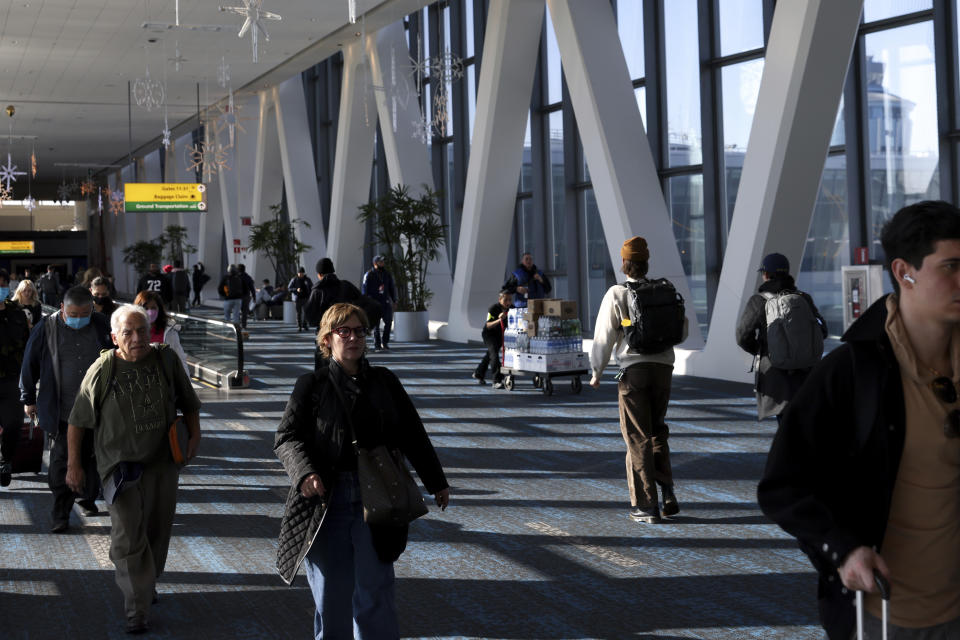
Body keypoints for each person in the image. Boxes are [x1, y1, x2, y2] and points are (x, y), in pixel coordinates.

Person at [758, 200, 960, 640]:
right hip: (886, 615)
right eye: (951, 267)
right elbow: (783, 484)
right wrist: (843, 549)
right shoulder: (853, 373)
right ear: (905, 273)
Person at [274, 302, 450, 638]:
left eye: (359, 331)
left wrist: (436, 481)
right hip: (327, 502)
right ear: (327, 338)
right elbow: (286, 437)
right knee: (331, 597)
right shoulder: (311, 386)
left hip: (378, 498)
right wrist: (304, 473)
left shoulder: (384, 382)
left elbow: (413, 433)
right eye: (344, 331)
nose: (353, 337)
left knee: (375, 592)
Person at [66, 304, 201, 634]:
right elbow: (78, 421)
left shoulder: (165, 359)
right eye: (128, 332)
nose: (137, 337)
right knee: (127, 537)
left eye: (142, 330)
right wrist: (73, 465)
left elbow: (188, 401)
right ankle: (136, 607)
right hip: (120, 468)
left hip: (163, 464)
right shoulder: (102, 369)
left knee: (157, 531)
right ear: (115, 338)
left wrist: (194, 436)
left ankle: (146, 582)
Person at [588, 236, 687, 524]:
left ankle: (646, 506)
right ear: (646, 263)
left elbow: (604, 338)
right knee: (657, 431)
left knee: (637, 436)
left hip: (634, 372)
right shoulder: (664, 290)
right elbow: (681, 330)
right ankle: (667, 491)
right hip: (664, 368)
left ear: (624, 264)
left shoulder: (618, 294)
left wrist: (596, 373)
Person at [20, 285, 112, 532]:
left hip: (98, 409)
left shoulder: (102, 324)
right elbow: (29, 365)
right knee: (62, 463)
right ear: (62, 308)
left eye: (85, 314)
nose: (79, 319)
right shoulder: (46, 328)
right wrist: (28, 398)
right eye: (74, 314)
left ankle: (87, 495)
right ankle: (61, 513)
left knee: (93, 458)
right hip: (62, 410)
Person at [735, 252, 827, 421]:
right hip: (807, 374)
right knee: (805, 426)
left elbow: (742, 336)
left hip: (776, 377)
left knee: (786, 428)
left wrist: (761, 350)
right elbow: (823, 331)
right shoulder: (803, 298)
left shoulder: (758, 301)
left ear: (766, 275)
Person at [0, 269, 31, 487]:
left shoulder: (17, 314)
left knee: (13, 424)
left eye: (2, 285)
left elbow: (29, 348)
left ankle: (5, 460)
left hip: (12, 378)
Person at [134, 291, 189, 377]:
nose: (150, 312)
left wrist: (186, 386)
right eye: (146, 308)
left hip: (165, 383)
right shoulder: (131, 332)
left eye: (153, 308)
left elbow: (180, 359)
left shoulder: (169, 331)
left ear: (159, 309)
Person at [304, 258, 362, 331]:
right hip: (346, 328)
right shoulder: (346, 285)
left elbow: (310, 312)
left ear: (319, 274)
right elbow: (361, 302)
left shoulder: (317, 290)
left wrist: (320, 323)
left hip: (326, 329)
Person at [472, 289, 512, 388]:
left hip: (501, 335)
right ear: (500, 299)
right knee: (494, 354)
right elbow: (488, 325)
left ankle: (479, 373)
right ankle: (496, 380)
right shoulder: (493, 308)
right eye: (506, 300)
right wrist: (499, 320)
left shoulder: (512, 309)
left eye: (510, 300)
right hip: (489, 335)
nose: (508, 302)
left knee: (489, 354)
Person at [362, 255, 398, 352]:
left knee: (389, 322)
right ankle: (377, 345)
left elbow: (391, 288)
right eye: (380, 262)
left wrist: (394, 300)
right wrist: (366, 303)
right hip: (374, 303)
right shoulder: (369, 274)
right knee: (376, 325)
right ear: (375, 263)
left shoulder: (387, 274)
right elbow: (364, 290)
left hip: (385, 302)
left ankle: (385, 342)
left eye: (383, 261)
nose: (382, 263)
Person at [288, 266, 313, 332]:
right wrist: (296, 289)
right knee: (298, 313)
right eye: (299, 273)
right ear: (297, 273)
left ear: (304, 273)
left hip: (305, 298)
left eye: (302, 273)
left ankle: (304, 325)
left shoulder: (307, 279)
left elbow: (311, 287)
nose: (301, 274)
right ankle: (299, 326)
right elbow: (289, 288)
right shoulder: (294, 279)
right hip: (297, 298)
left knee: (306, 312)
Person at [237, 264, 256, 329]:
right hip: (246, 296)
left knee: (236, 311)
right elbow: (252, 288)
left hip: (237, 297)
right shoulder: (248, 277)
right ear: (244, 269)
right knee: (244, 312)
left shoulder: (236, 277)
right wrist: (254, 297)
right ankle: (244, 325)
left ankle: (237, 325)